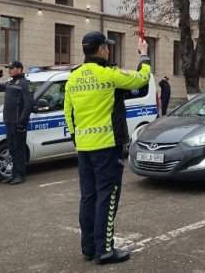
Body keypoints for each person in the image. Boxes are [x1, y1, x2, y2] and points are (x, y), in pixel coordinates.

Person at [64, 31, 151, 265]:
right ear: (102, 50)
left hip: (84, 148)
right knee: (108, 197)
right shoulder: (109, 74)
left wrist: (76, 138)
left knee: (88, 197)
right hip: (107, 147)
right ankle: (104, 250)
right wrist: (144, 56)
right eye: (107, 46)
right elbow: (142, 79)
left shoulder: (73, 77)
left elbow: (68, 113)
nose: (109, 50)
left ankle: (89, 248)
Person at [0, 60, 34, 185]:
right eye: (8, 68)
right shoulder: (10, 83)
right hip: (9, 121)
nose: (9, 70)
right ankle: (13, 175)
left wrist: (22, 122)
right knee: (12, 149)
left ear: (19, 69)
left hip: (17, 122)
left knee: (19, 149)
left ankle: (20, 175)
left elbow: (29, 104)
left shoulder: (26, 84)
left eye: (11, 68)